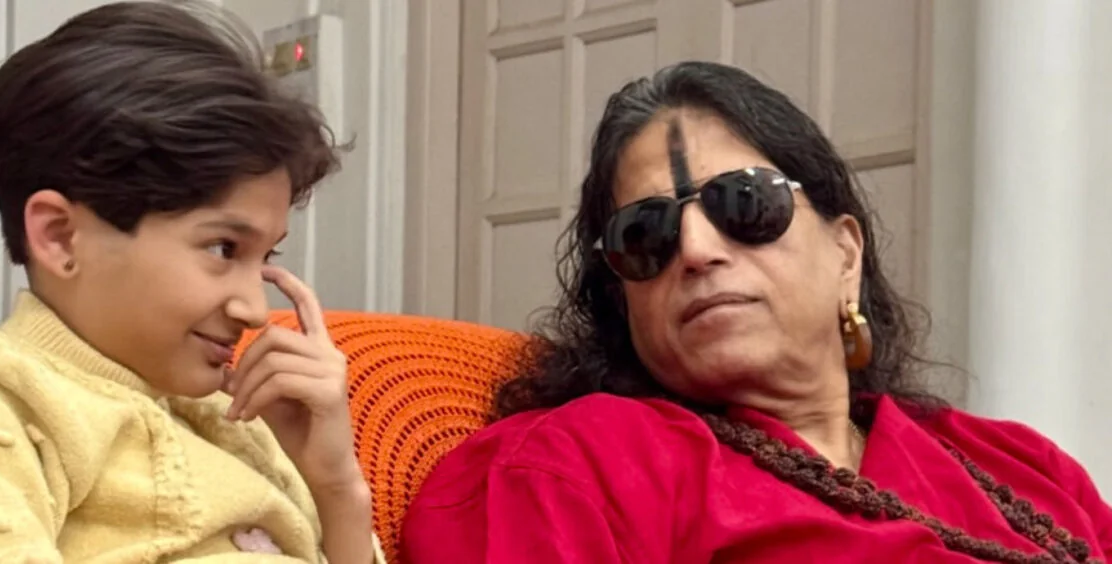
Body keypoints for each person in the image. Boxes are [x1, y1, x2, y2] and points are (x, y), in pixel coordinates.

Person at [401, 61, 1112, 563]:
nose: (696, 249)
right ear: (623, 296)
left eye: (745, 203)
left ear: (845, 254)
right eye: (645, 234)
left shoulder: (1023, 466)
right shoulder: (569, 466)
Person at [0, 2, 383, 562]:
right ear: (60, 237)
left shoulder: (238, 418)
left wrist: (336, 487)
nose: (256, 309)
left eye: (266, 257)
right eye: (222, 248)